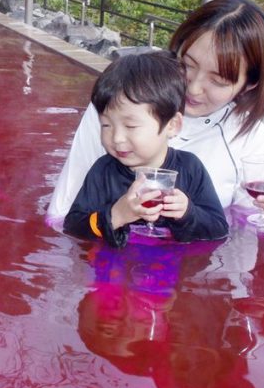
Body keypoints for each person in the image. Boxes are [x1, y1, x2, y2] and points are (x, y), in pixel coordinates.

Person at [50, 0, 264, 229]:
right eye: (186, 65)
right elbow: (63, 214)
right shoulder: (116, 109)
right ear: (177, 46)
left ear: (250, 83)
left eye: (218, 80)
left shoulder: (248, 139)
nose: (193, 87)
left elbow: (250, 229)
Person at [62, 51, 228, 247]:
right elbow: (72, 226)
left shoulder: (190, 168)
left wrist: (188, 213)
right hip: (116, 273)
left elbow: (219, 229)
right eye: (106, 125)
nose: (116, 138)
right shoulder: (104, 170)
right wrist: (116, 215)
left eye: (131, 126)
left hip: (171, 271)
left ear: (172, 125)